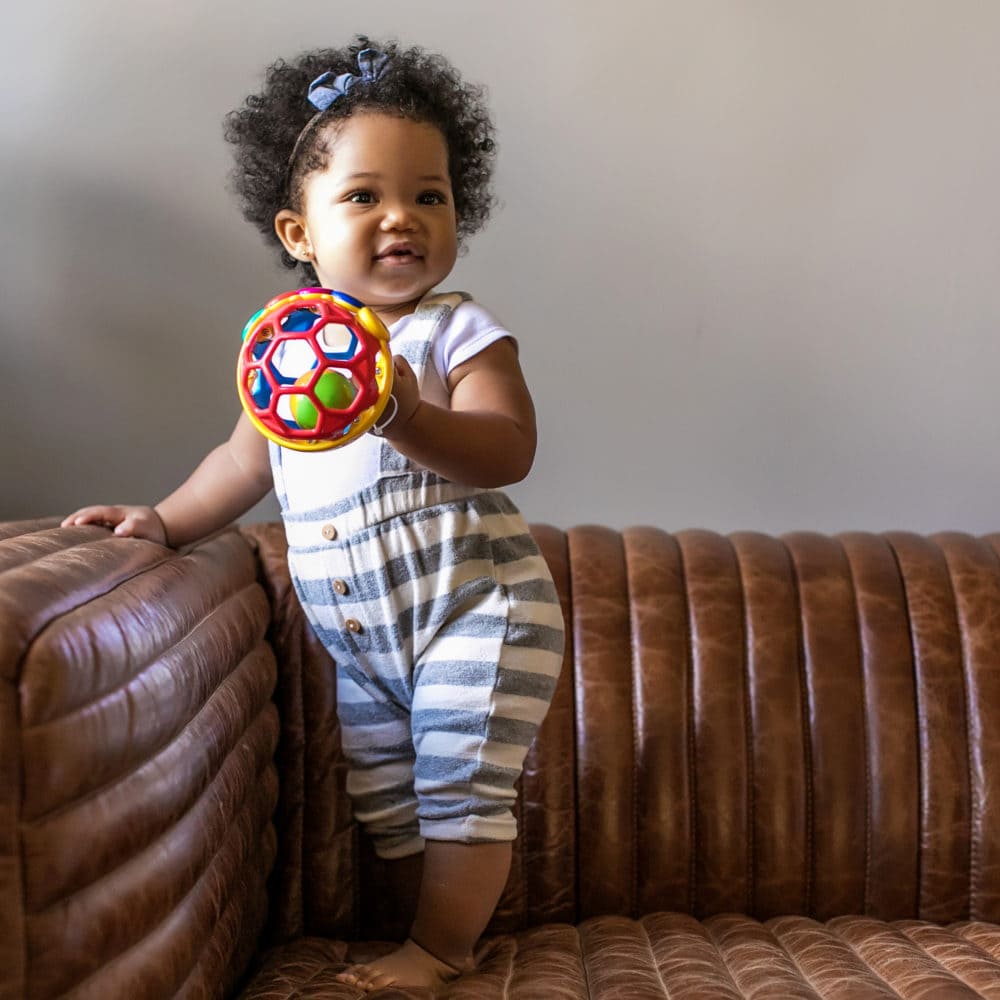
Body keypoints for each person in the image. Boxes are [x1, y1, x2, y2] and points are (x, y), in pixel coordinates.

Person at [62, 36, 565, 994]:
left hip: (477, 609)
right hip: (361, 636)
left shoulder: (456, 329)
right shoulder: (293, 353)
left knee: (459, 784)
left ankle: (444, 949)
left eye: (430, 195)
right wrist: (165, 522)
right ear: (299, 232)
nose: (401, 219)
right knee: (388, 801)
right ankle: (433, 918)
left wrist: (409, 416)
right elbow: (242, 458)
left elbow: (510, 448)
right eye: (363, 196)